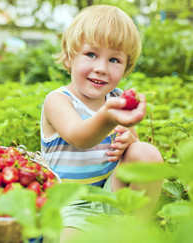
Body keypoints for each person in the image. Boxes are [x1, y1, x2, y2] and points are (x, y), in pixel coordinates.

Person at [39, 4, 163, 242]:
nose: (101, 68)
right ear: (69, 56)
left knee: (146, 154)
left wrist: (130, 141)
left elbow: (130, 148)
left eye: (114, 59)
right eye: (91, 54)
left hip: (110, 194)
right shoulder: (58, 101)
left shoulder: (117, 99)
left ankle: (133, 230)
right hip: (68, 204)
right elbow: (81, 137)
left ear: (126, 68)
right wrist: (108, 117)